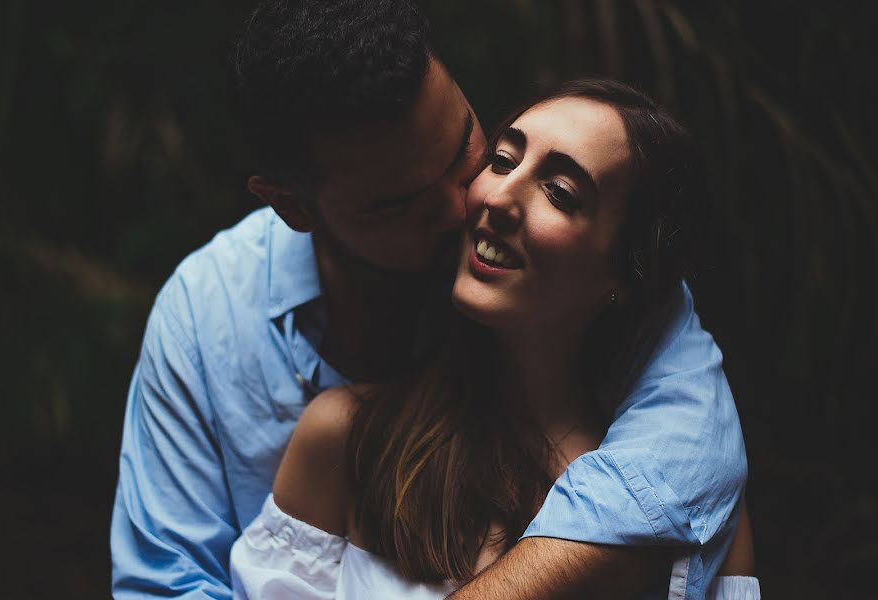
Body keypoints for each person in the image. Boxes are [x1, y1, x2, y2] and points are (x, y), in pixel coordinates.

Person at [110, 2, 747, 598]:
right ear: (294, 207)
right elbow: (164, 582)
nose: (467, 203)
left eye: (468, 148)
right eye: (396, 203)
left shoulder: (613, 315)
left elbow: (695, 444)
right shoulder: (212, 324)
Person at [228, 78, 760, 600]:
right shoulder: (347, 439)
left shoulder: (692, 517)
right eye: (502, 161)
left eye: (559, 192)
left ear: (623, 275)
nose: (499, 196)